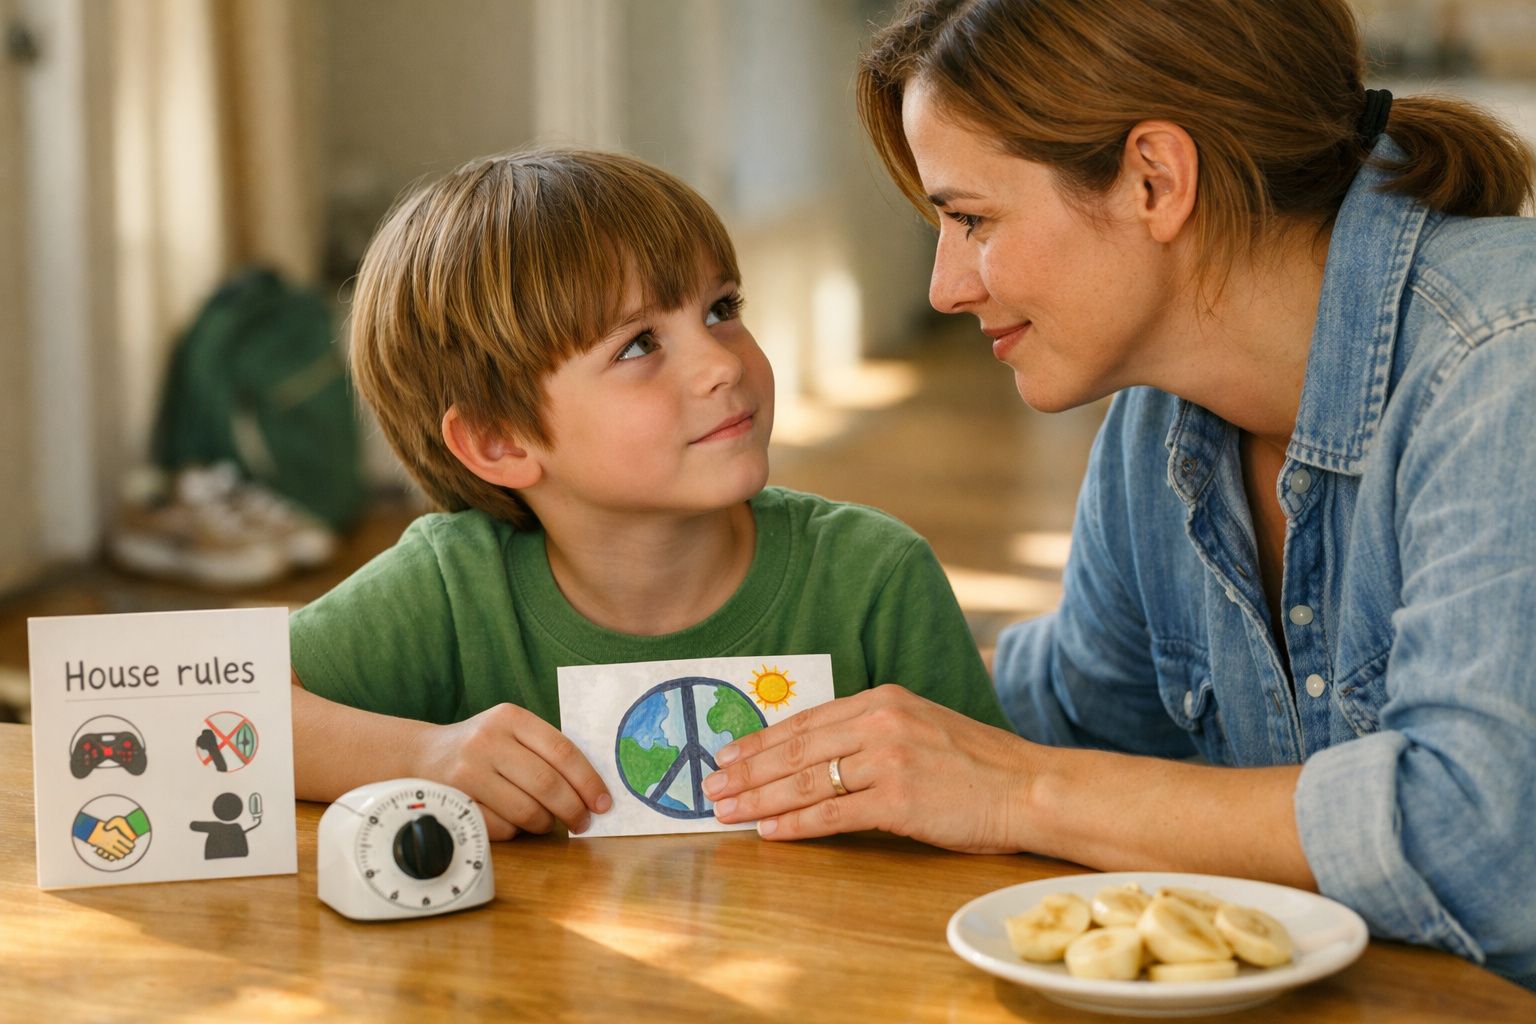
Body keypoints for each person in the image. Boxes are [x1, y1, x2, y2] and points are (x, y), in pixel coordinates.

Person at [703, 0, 1536, 989]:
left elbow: (1480, 840)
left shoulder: (1501, 363)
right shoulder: (1160, 434)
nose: (944, 285)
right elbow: (1053, 720)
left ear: (1155, 179)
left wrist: (1025, 791)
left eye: (971, 218)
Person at [289, 148, 1010, 841]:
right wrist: (423, 758)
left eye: (721, 308)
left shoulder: (874, 577)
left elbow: (989, 813)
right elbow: (205, 712)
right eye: (639, 344)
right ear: (500, 441)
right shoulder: (448, 588)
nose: (720, 364)